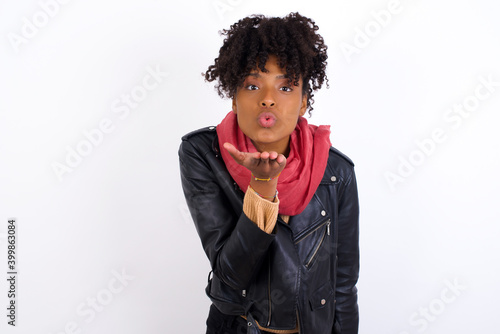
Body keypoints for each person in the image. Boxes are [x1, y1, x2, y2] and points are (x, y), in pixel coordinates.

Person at [179, 12, 359, 334]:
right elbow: (231, 274)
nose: (268, 100)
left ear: (304, 102)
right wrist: (262, 186)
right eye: (252, 85)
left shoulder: (336, 172)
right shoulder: (204, 154)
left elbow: (342, 287)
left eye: (286, 87)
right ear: (234, 98)